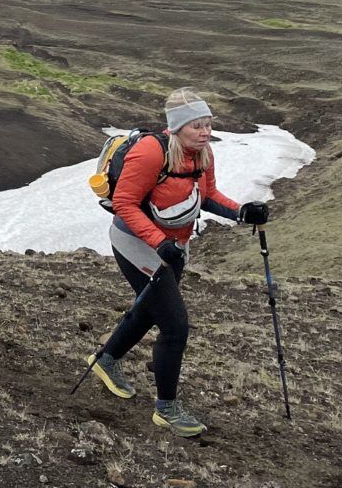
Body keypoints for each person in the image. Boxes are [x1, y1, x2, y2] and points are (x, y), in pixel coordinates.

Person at [88, 89, 271, 439]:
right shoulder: (149, 153)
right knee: (175, 327)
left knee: (149, 311)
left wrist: (242, 212)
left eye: (208, 124)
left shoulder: (202, 153)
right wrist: (159, 243)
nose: (205, 132)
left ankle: (106, 360)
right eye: (197, 126)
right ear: (177, 128)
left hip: (174, 246)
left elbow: (208, 196)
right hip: (136, 244)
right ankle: (166, 409)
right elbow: (125, 203)